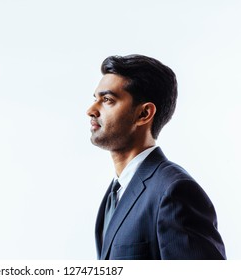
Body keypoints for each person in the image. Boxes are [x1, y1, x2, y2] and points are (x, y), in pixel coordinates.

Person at [87, 54, 226, 260]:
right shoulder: (116, 192)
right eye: (95, 99)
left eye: (107, 100)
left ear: (144, 114)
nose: (91, 110)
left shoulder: (174, 191)